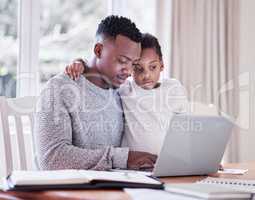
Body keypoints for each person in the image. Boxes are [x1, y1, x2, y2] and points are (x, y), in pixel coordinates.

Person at [34, 15, 157, 171]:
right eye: (122, 60)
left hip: (114, 186)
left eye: (133, 64)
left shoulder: (121, 93)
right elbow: (52, 159)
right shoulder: (59, 89)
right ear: (98, 50)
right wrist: (123, 158)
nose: (128, 71)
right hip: (71, 189)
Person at [65, 33, 188, 156]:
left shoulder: (173, 88)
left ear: (162, 65)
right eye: (138, 68)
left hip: (167, 160)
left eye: (153, 67)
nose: (146, 75)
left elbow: (185, 130)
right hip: (132, 167)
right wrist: (80, 62)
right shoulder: (125, 89)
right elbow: (98, 71)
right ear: (130, 67)